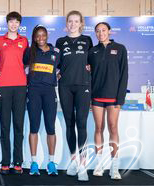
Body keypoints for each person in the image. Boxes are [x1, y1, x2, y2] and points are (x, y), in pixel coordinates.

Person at [55, 10, 93, 181]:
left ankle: (83, 165)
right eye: (70, 21)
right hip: (65, 86)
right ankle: (73, 161)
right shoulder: (60, 41)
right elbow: (55, 63)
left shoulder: (87, 40)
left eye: (76, 21)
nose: (72, 24)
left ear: (81, 23)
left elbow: (94, 62)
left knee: (82, 123)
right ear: (66, 23)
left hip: (83, 86)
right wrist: (56, 72)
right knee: (69, 123)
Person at [89, 22, 128, 180]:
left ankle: (114, 167)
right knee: (98, 128)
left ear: (109, 31)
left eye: (103, 30)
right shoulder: (92, 51)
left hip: (113, 97)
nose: (100, 33)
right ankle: (99, 165)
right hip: (97, 96)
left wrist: (120, 97)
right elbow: (88, 74)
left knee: (113, 128)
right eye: (97, 31)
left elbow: (124, 74)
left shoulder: (120, 48)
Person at [0, 11, 29, 175]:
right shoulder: (0, 40)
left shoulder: (25, 41)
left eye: (17, 22)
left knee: (18, 125)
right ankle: (5, 162)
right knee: (5, 125)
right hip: (3, 87)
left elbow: (28, 61)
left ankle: (18, 162)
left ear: (19, 24)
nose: (13, 24)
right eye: (11, 22)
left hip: (21, 86)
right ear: (7, 23)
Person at [24, 25, 60, 176]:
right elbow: (21, 67)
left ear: (47, 35)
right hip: (33, 92)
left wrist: (56, 77)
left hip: (49, 92)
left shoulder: (55, 52)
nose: (40, 38)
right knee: (34, 127)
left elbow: (64, 69)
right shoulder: (29, 52)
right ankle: (33, 162)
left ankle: (51, 162)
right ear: (34, 37)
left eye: (43, 35)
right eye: (37, 36)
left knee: (50, 128)